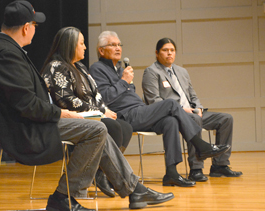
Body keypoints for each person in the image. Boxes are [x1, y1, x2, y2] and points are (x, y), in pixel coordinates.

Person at [0, 1, 173, 210]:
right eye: (35, 26)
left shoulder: (8, 50)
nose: (35, 30)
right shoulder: (5, 54)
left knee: (98, 127)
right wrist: (61, 113)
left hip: (34, 120)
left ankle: (134, 190)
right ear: (26, 27)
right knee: (96, 129)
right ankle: (63, 198)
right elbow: (26, 104)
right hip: (27, 128)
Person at [88, 31, 230, 188]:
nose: (118, 48)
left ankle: (171, 173)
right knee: (170, 104)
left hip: (139, 111)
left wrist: (124, 80)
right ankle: (200, 145)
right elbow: (104, 98)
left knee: (170, 121)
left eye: (119, 45)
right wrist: (123, 81)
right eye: (112, 45)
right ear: (101, 50)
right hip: (125, 116)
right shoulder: (97, 69)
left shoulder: (122, 70)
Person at [40, 27, 133, 198]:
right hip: (72, 118)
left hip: (90, 114)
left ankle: (102, 172)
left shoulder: (80, 67)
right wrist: (100, 113)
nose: (84, 47)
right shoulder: (56, 67)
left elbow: (96, 94)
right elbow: (67, 100)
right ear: (69, 45)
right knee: (112, 126)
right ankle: (104, 173)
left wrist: (104, 110)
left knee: (125, 127)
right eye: (81, 43)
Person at [142, 38, 242, 181]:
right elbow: (154, 102)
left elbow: (193, 95)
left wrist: (199, 108)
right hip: (172, 115)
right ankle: (196, 169)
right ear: (157, 53)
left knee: (226, 119)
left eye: (172, 50)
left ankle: (220, 165)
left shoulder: (182, 71)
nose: (169, 53)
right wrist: (182, 110)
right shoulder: (151, 72)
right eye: (165, 50)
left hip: (192, 112)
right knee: (194, 119)